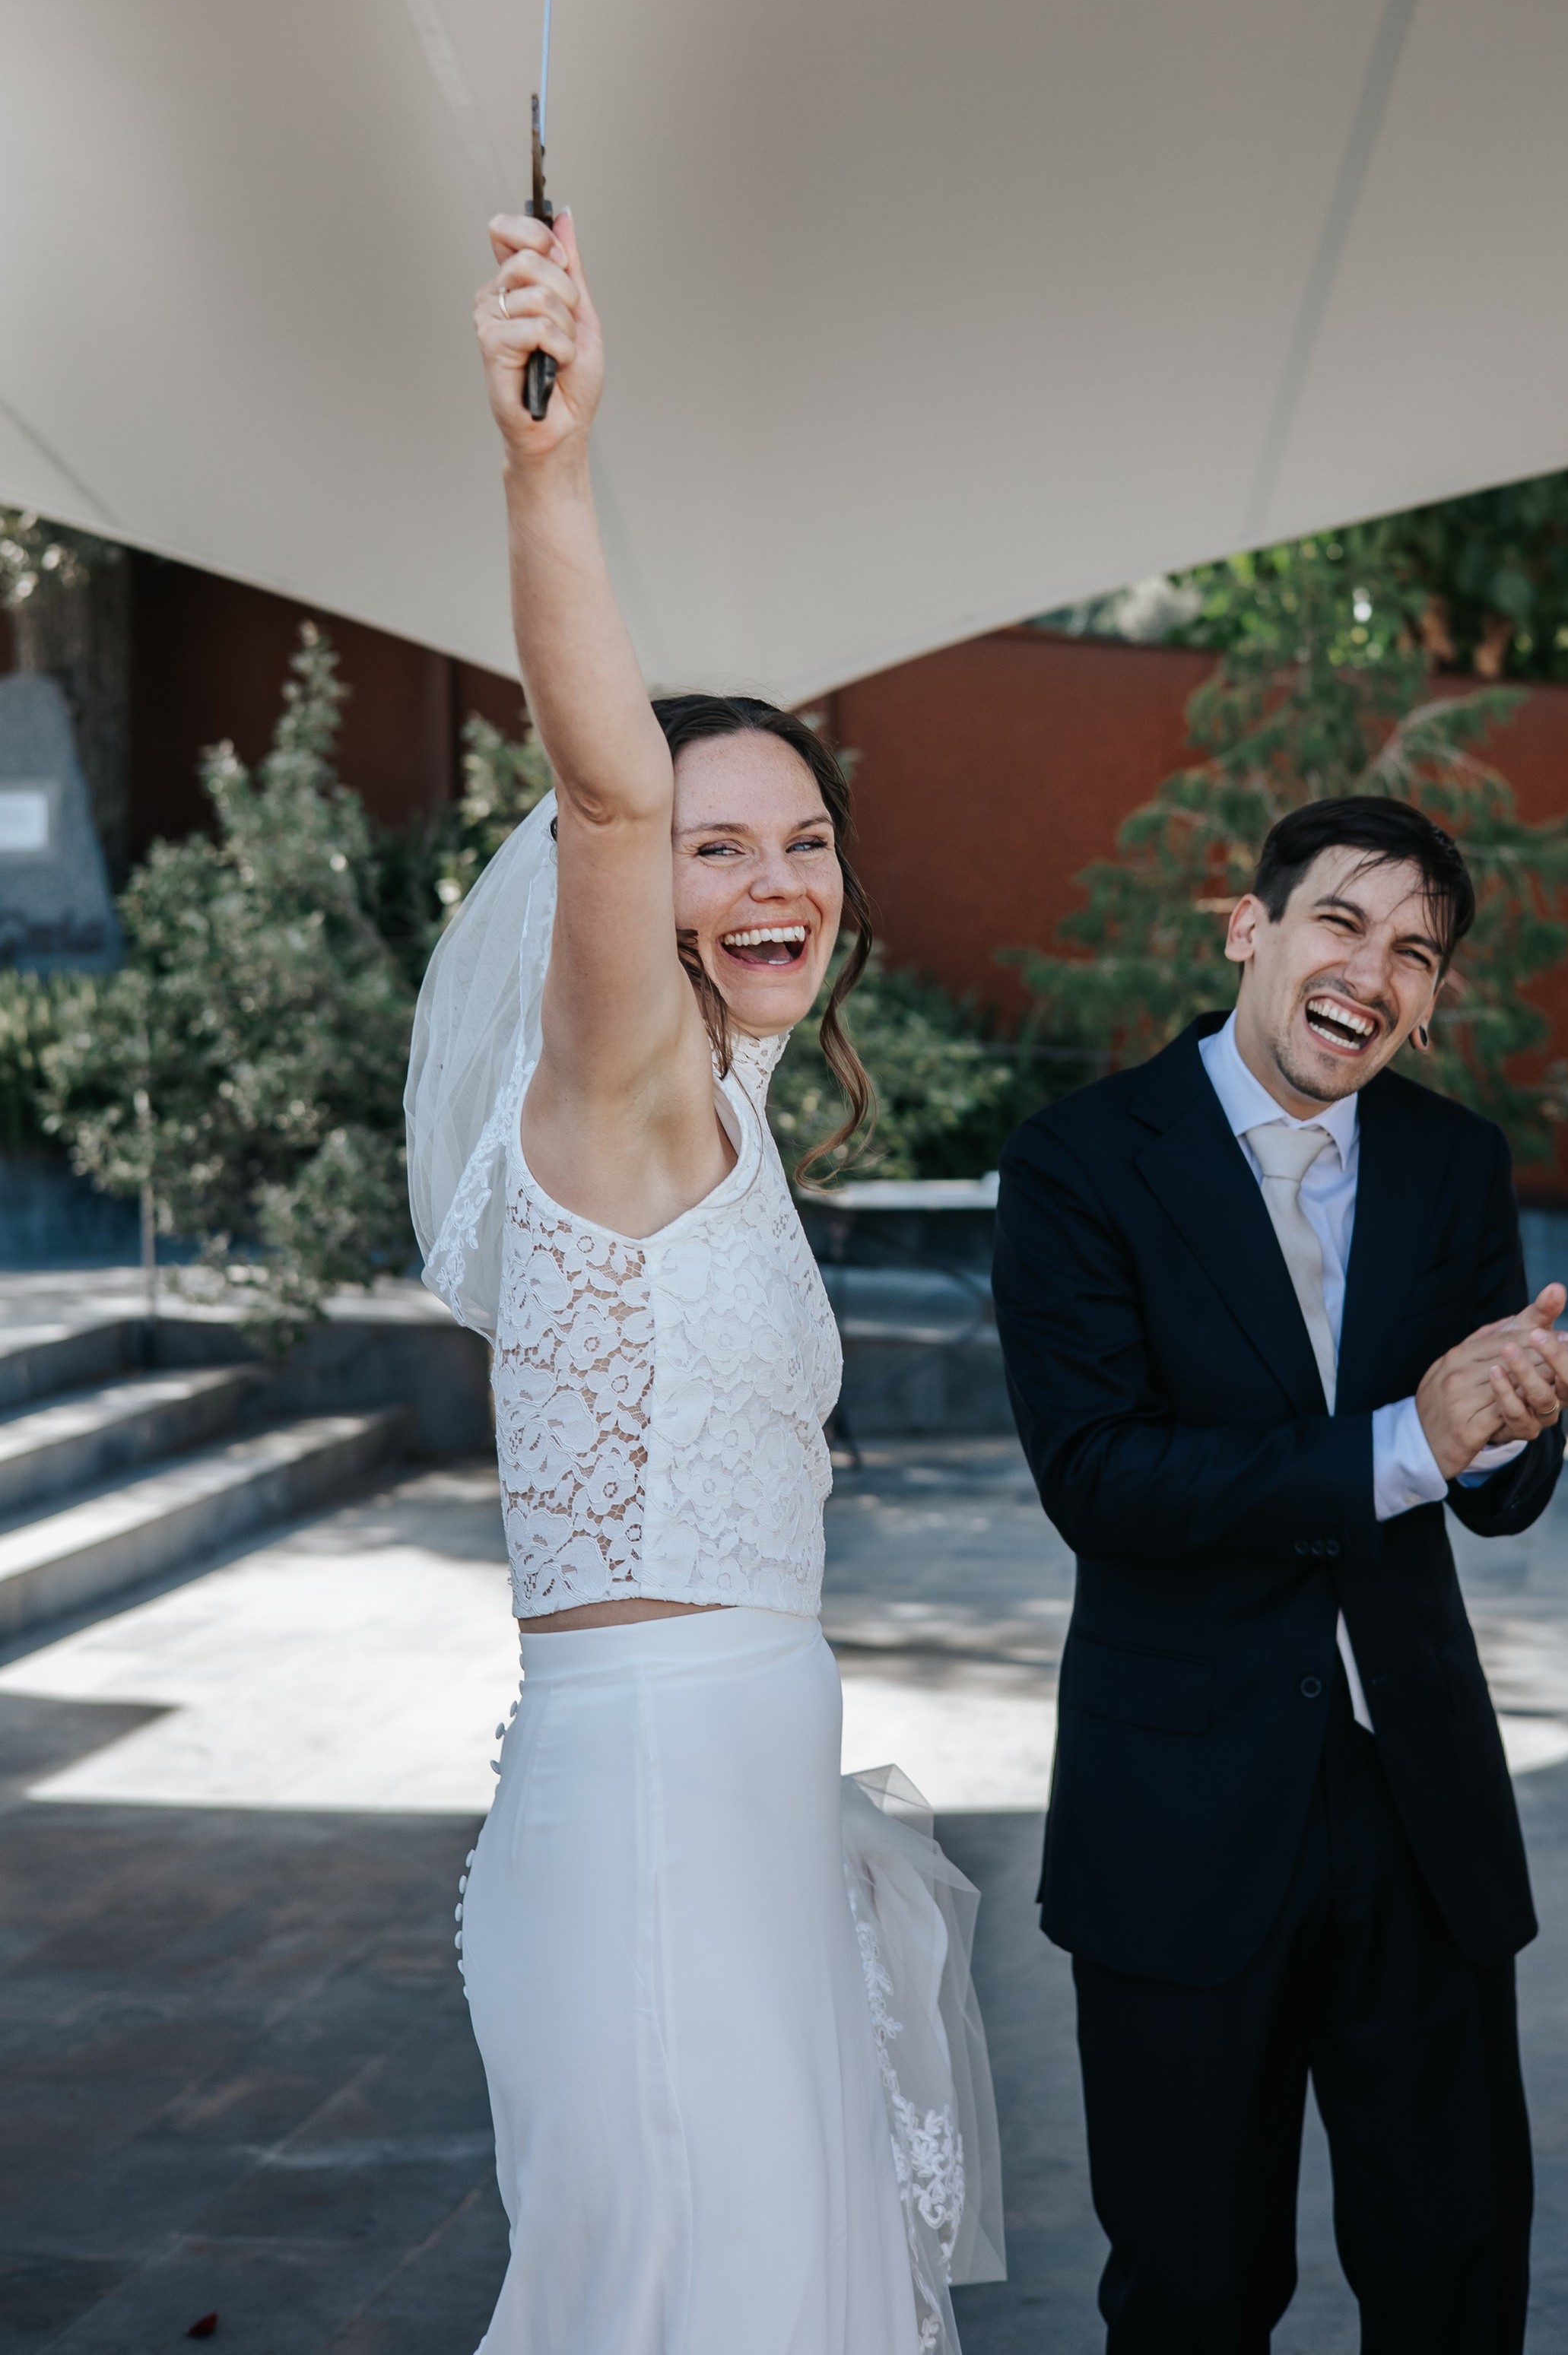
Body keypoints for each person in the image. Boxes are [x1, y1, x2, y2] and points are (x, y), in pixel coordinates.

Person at [404, 206, 1002, 2355]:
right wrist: (548, 470)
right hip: (650, 1830)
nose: (775, 879)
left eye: (805, 839)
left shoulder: (733, 1130)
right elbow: (596, 787)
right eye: (716, 840)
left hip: (751, 1825)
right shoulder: (623, 1090)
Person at [991, 795, 1568, 2355]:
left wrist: (1503, 1429)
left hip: (1420, 1809)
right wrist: (1406, 1442)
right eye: (1340, 921)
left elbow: (1494, 1489)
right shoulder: (1079, 1160)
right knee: (1193, 2294)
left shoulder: (1454, 1160)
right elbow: (1100, 1479)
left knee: (1456, 2274)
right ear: (1246, 928)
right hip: (1179, 1814)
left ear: (1432, 1000)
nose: (1370, 972)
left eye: (1415, 952)